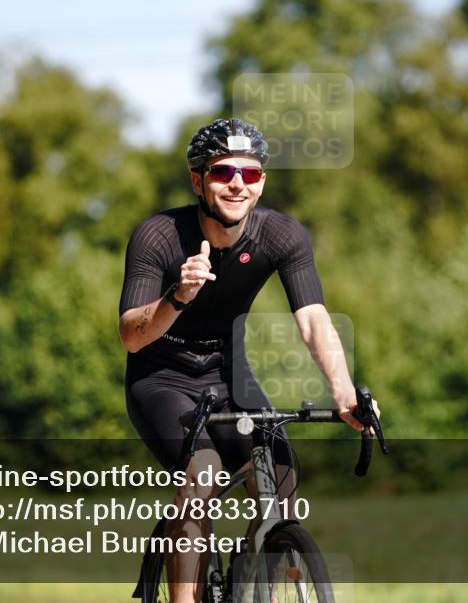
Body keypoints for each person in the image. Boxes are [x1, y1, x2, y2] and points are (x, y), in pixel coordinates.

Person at [119, 117, 376, 602]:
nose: (237, 184)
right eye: (222, 172)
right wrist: (178, 296)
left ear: (261, 185)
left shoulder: (281, 235)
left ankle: (257, 574)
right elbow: (131, 336)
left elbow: (314, 320)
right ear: (198, 180)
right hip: (160, 378)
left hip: (227, 372)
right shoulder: (158, 236)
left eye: (251, 174)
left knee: (281, 475)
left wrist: (343, 394)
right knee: (203, 474)